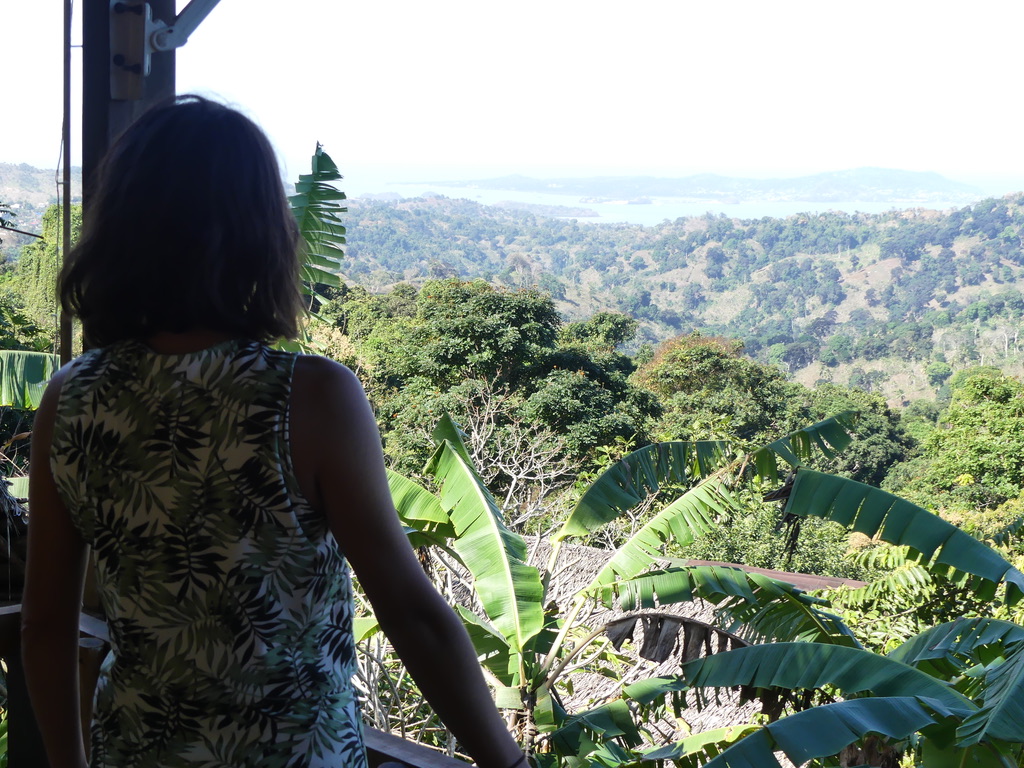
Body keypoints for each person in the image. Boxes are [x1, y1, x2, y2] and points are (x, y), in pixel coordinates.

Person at [22, 95, 529, 768]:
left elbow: (46, 623)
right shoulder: (310, 397)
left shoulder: (73, 397)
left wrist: (67, 763)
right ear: (260, 230)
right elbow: (409, 615)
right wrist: (508, 761)